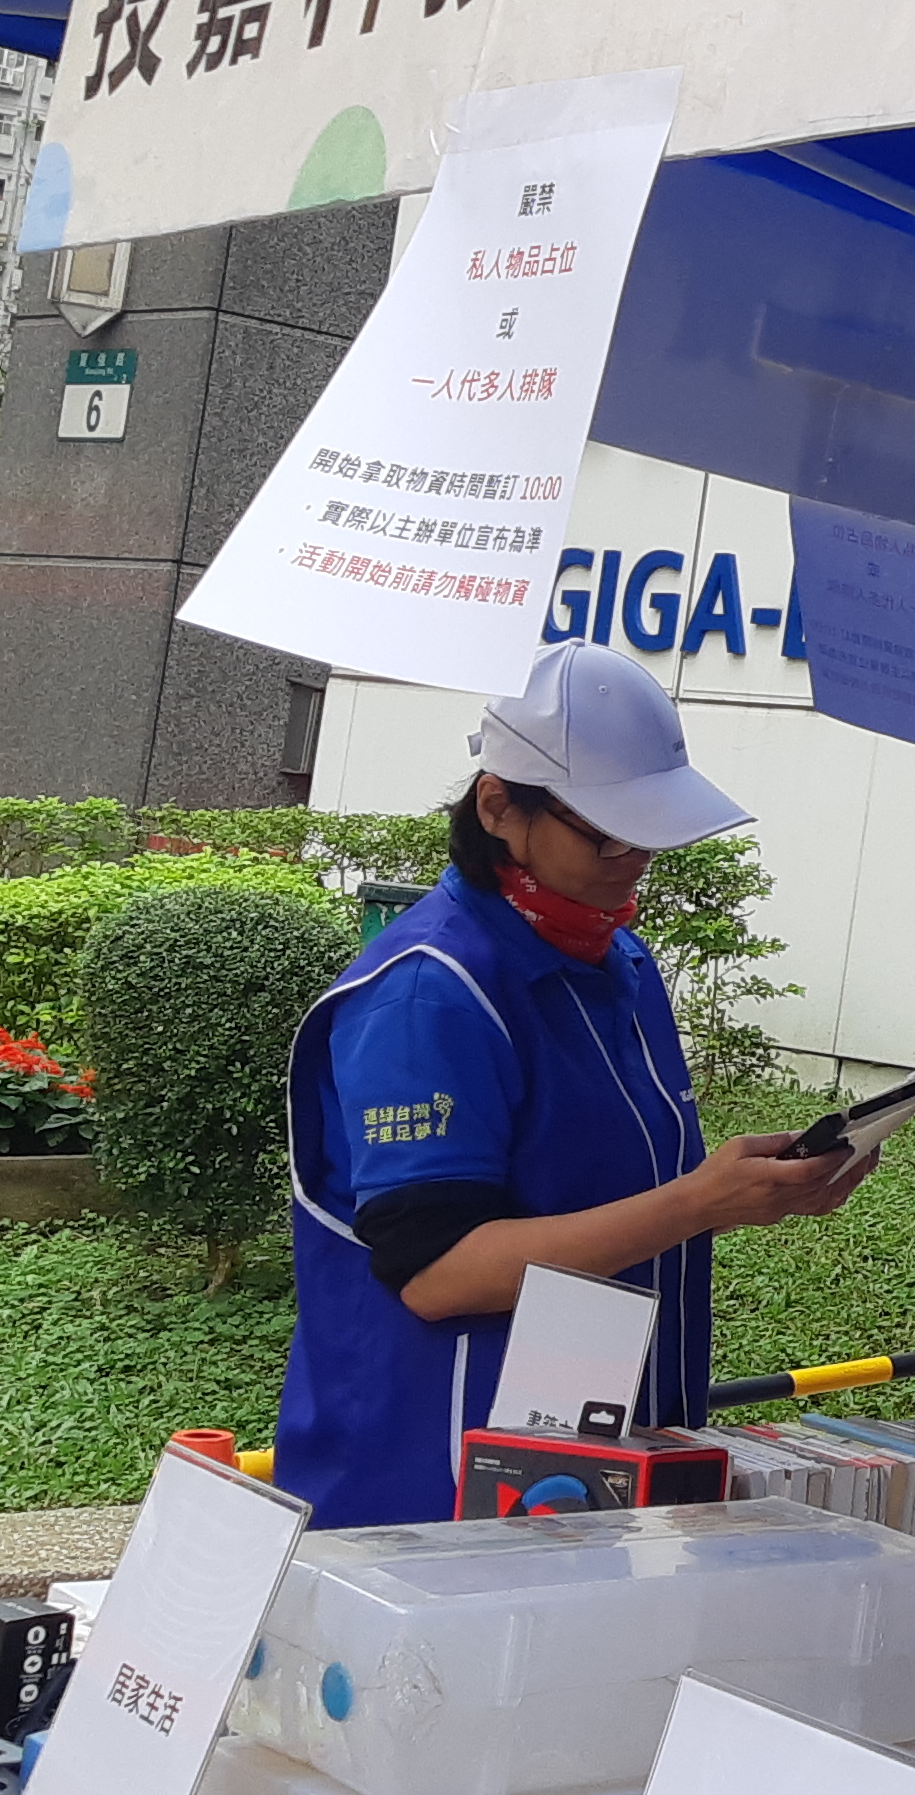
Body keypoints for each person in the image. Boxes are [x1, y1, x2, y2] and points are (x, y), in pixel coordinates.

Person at [277, 644, 867, 1525]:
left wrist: (752, 1191)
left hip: (592, 1457)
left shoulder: (618, 961)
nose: (636, 858)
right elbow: (437, 1272)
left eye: (652, 830)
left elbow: (614, 1201)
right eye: (607, 832)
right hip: (434, 1482)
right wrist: (697, 1202)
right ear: (498, 807)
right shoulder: (429, 991)